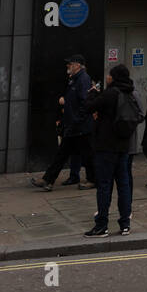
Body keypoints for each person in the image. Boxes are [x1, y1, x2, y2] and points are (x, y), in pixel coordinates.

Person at [84, 63, 141, 237]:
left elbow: (89, 107)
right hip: (123, 146)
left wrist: (93, 92)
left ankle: (102, 225)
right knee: (123, 185)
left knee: (104, 186)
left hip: (106, 146)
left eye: (110, 75)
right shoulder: (129, 93)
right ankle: (125, 224)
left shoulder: (111, 93)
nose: (107, 77)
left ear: (114, 77)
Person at [30, 54, 95, 191]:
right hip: (73, 125)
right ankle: (48, 180)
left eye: (70, 63)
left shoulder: (83, 79)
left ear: (78, 65)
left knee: (86, 154)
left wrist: (77, 118)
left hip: (80, 126)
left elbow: (85, 102)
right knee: (62, 154)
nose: (68, 66)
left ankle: (93, 180)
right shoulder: (74, 80)